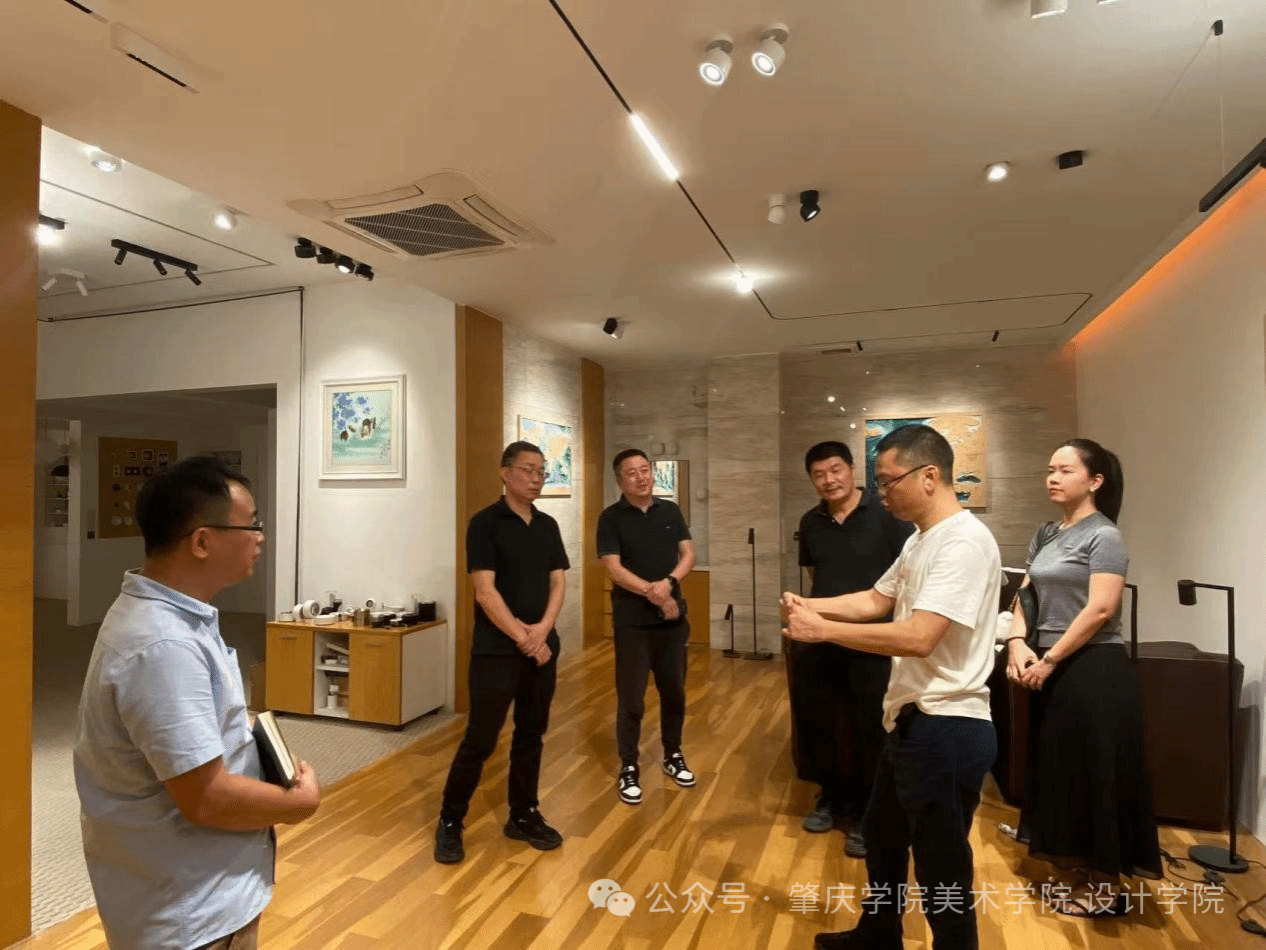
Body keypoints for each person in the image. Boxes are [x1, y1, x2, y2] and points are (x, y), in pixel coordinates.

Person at [74, 456, 321, 950]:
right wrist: (300, 803)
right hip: (190, 916)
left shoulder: (178, 618)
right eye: (251, 525)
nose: (260, 538)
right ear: (203, 542)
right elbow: (206, 797)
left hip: (197, 895)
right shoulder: (163, 644)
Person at [782, 424, 1000, 950]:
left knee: (942, 867)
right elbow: (875, 601)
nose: (882, 493)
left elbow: (920, 637)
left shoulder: (964, 542)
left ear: (929, 476)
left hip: (947, 724)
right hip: (910, 719)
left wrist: (823, 630)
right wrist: (809, 604)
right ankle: (878, 934)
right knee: (883, 838)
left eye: (888, 481)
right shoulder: (922, 540)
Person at [1005, 439, 1161, 916]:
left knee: (1096, 774)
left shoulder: (1104, 535)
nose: (1053, 478)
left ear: (1095, 481)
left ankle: (1105, 888)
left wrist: (1051, 659)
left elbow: (1101, 609)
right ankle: (1077, 870)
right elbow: (1026, 593)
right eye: (1050, 469)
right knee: (1062, 771)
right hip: (1050, 663)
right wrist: (1017, 641)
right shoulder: (1047, 532)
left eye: (1066, 470)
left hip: (1093, 668)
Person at [434, 441, 568, 864]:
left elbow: (558, 582)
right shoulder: (484, 523)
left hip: (541, 648)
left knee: (531, 734)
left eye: (542, 471)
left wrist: (542, 631)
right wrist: (523, 638)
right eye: (528, 470)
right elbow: (485, 592)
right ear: (505, 473)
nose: (536, 478)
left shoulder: (547, 525)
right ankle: (451, 819)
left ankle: (523, 814)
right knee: (481, 737)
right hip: (496, 651)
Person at [791, 441, 913, 854]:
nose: (829, 480)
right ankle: (830, 796)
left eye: (835, 470)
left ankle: (866, 811)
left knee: (870, 725)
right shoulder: (810, 522)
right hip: (820, 636)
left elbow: (904, 578)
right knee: (819, 720)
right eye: (819, 474)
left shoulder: (887, 515)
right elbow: (815, 573)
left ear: (852, 469)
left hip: (872, 638)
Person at [597, 448, 696, 805]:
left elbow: (688, 554)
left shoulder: (670, 510)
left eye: (645, 470)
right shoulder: (610, 518)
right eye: (632, 472)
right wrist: (653, 593)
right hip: (632, 622)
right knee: (632, 698)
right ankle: (629, 765)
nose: (641, 477)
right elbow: (614, 568)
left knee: (674, 692)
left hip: (671, 619)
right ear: (619, 480)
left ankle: (673, 754)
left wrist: (669, 583)